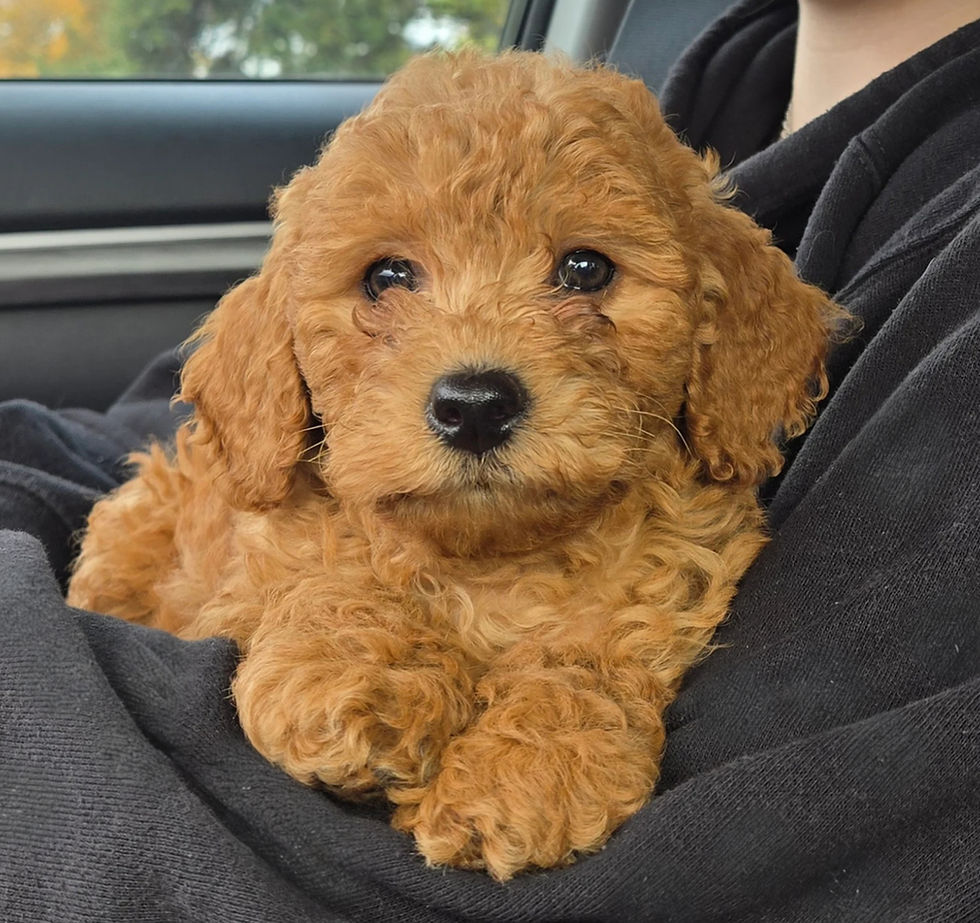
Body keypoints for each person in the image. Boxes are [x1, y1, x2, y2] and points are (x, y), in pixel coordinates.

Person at [1, 0, 978, 919]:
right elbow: (182, 451)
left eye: (583, 271)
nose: (473, 367)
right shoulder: (704, 87)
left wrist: (576, 705)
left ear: (723, 320)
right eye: (389, 277)